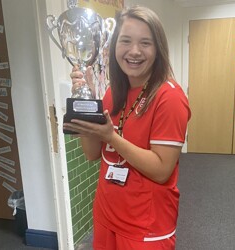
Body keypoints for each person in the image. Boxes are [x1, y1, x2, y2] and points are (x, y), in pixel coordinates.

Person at [64, 5, 191, 250]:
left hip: (146, 225)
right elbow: (91, 154)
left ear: (158, 49)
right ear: (114, 48)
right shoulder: (114, 92)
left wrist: (111, 137)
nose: (134, 51)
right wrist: (89, 104)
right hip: (106, 214)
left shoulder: (169, 97)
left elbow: (162, 169)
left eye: (145, 43)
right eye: (126, 41)